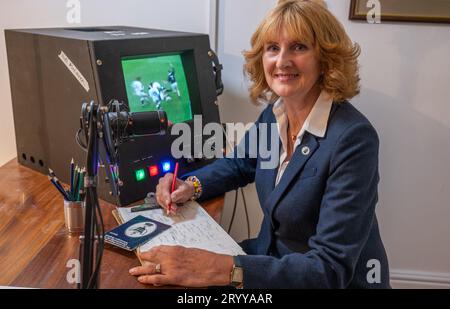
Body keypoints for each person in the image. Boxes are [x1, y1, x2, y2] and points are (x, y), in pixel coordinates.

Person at [129, 0, 390, 288]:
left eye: (299, 47)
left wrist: (223, 268)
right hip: (270, 259)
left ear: (326, 58)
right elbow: (241, 163)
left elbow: (328, 269)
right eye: (273, 48)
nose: (282, 61)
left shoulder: (354, 139)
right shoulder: (276, 113)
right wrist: (190, 185)